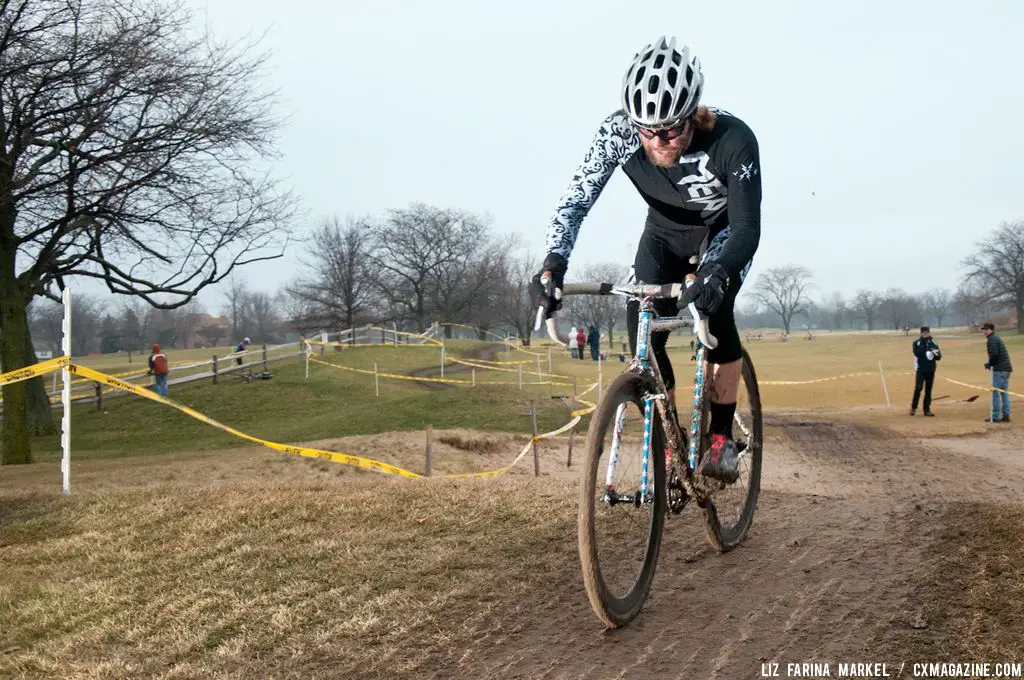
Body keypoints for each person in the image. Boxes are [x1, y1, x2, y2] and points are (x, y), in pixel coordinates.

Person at [530, 36, 761, 483]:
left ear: (693, 112)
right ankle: (672, 439)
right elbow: (575, 202)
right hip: (663, 236)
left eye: (671, 129)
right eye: (647, 130)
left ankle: (719, 438)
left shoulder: (733, 140)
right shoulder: (616, 134)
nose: (658, 141)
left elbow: (748, 225)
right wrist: (552, 264)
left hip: (723, 233)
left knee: (716, 310)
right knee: (643, 326)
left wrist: (716, 271)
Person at [982, 322, 1013, 423]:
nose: (984, 331)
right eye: (984, 329)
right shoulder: (995, 338)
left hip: (1000, 369)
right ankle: (1006, 414)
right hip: (1006, 368)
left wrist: (989, 364)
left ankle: (995, 416)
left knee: (996, 392)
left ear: (991, 330)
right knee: (1004, 393)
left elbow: (994, 354)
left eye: (986, 329)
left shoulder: (992, 339)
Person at [910, 326, 941, 417]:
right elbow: (917, 353)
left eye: (927, 332)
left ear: (929, 333)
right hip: (920, 369)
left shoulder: (933, 343)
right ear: (921, 333)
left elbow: (939, 357)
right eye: (923, 332)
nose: (925, 334)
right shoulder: (917, 343)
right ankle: (913, 407)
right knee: (918, 388)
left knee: (928, 390)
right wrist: (924, 345)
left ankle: (926, 409)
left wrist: (934, 353)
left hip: (930, 369)